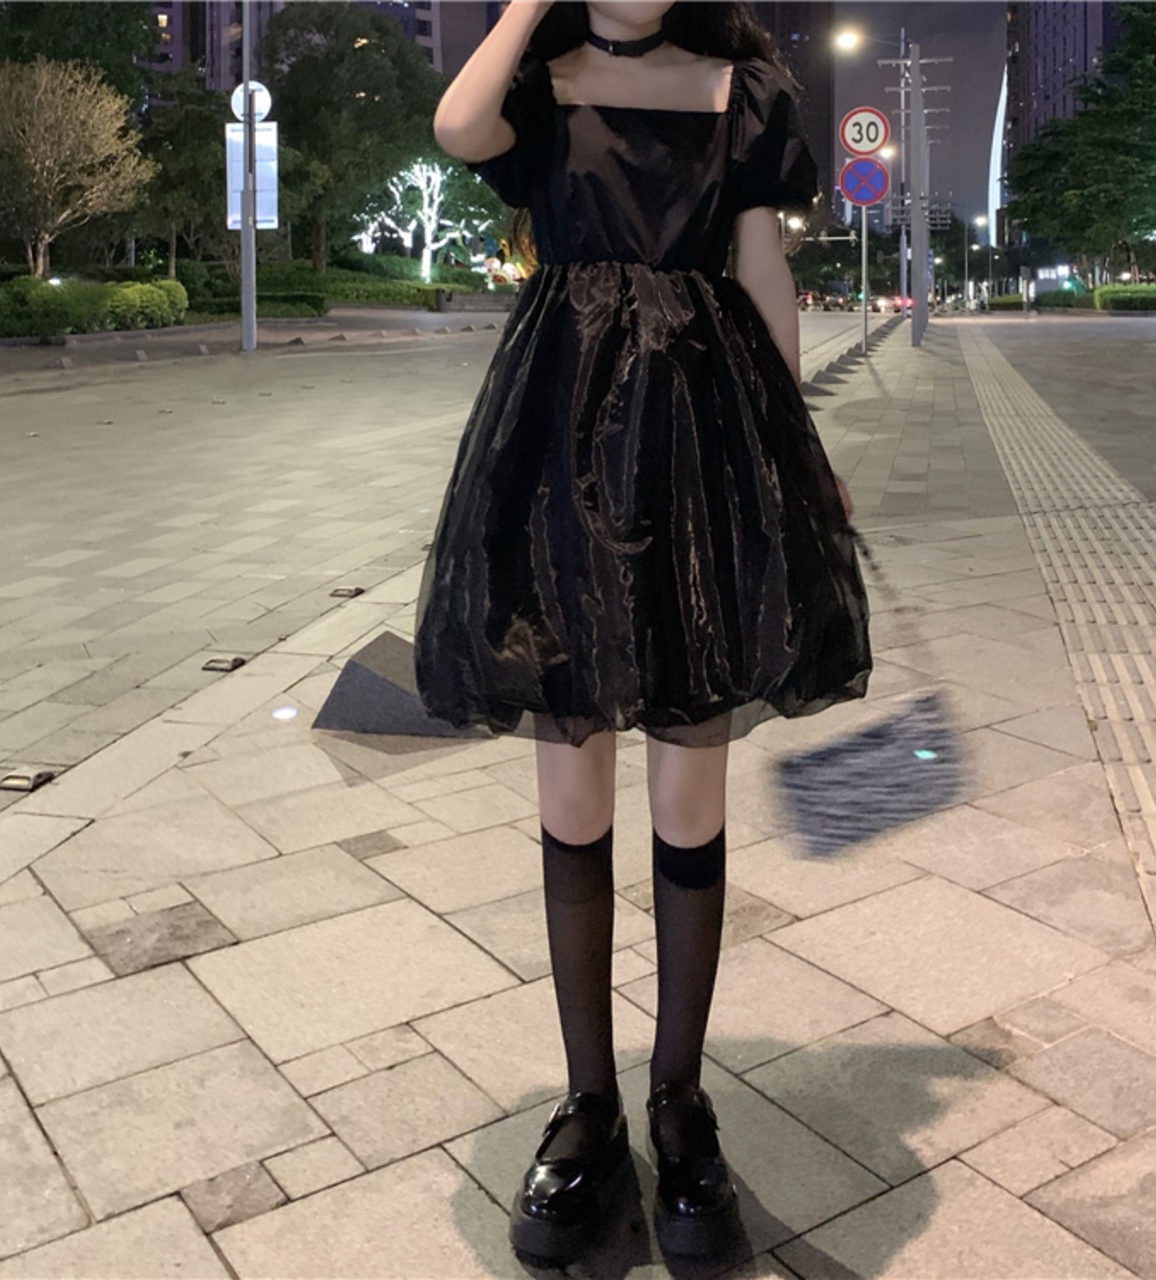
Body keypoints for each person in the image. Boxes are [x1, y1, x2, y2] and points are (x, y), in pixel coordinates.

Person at [418, 0, 871, 1265]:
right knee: (571, 784)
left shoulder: (745, 87)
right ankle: (587, 1105)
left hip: (702, 440)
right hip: (556, 442)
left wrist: (797, 447)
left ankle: (678, 1103)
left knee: (688, 782)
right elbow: (456, 125)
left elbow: (761, 269)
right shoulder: (539, 79)